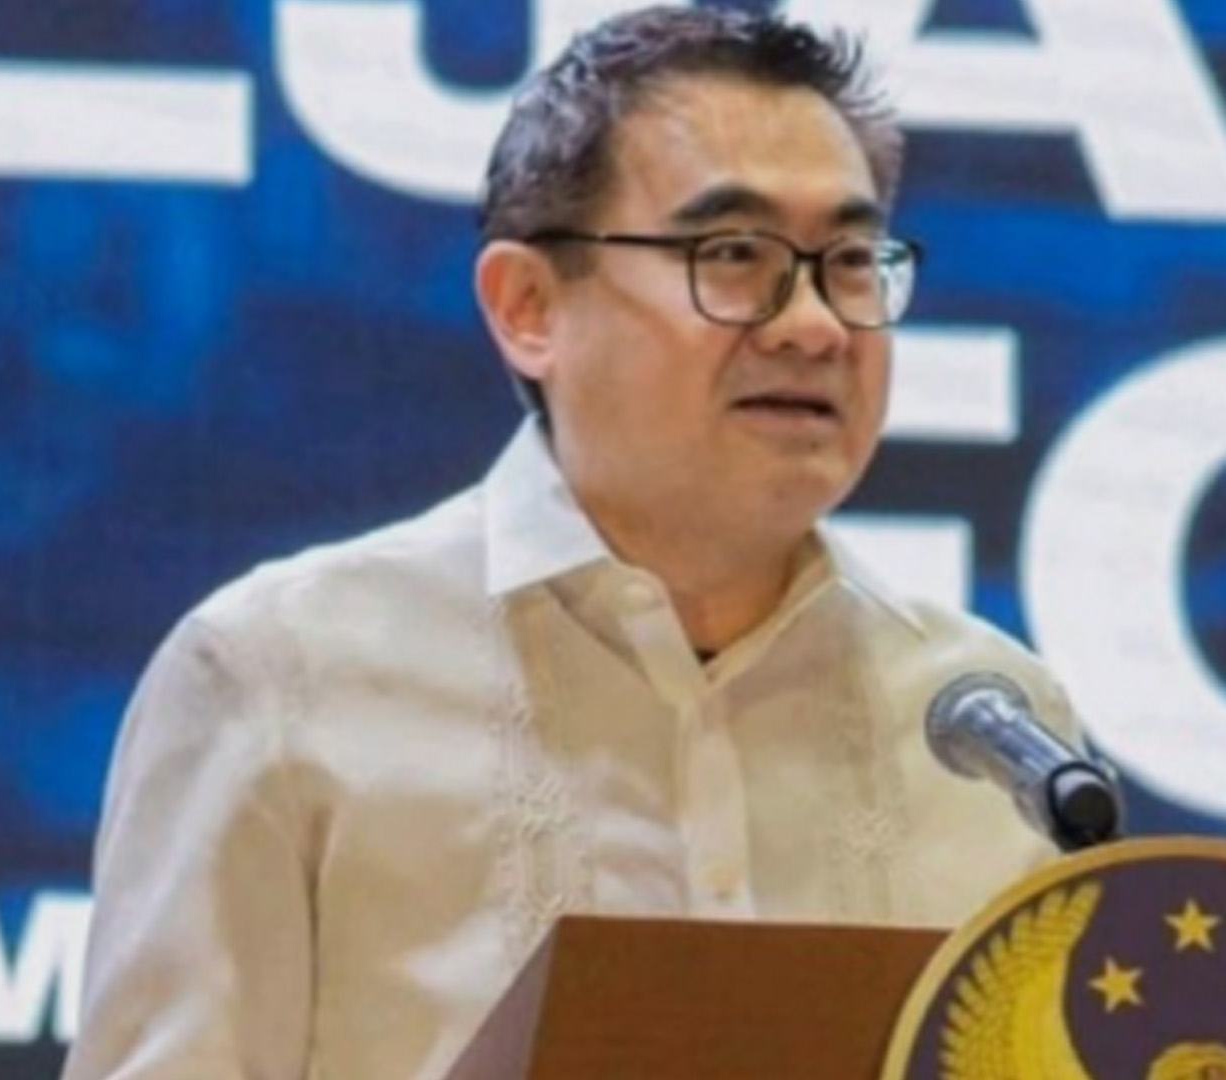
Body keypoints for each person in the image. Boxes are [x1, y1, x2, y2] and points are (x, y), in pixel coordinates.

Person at [62, 6, 1081, 1080]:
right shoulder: (278, 678)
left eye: (853, 260)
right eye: (734, 254)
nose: (815, 324)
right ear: (528, 307)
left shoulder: (991, 725)